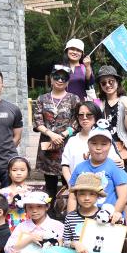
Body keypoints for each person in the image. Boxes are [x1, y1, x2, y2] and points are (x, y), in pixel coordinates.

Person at [33, 65, 78, 199]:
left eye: (64, 78)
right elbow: (37, 121)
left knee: (69, 182)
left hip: (67, 145)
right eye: (57, 77)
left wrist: (64, 134)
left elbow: (77, 121)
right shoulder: (42, 98)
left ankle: (68, 209)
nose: (60, 80)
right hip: (48, 147)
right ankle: (50, 209)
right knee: (50, 186)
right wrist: (51, 134)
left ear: (68, 82)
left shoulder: (74, 99)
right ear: (51, 79)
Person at [67, 126, 127, 221]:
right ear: (88, 144)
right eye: (94, 143)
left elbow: (123, 197)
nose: (98, 148)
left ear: (110, 146)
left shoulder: (115, 167)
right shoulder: (79, 168)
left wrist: (111, 217)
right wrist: (71, 219)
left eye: (104, 144)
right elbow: (72, 197)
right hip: (84, 219)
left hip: (109, 220)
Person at [61, 102, 122, 185]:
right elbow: (65, 165)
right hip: (77, 187)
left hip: (102, 187)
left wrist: (120, 162)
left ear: (96, 116)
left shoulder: (105, 138)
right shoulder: (72, 140)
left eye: (89, 115)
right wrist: (71, 184)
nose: (84, 118)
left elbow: (116, 163)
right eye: (81, 115)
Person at [97, 65, 127, 177]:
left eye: (111, 81)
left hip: (122, 150)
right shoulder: (99, 103)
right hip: (102, 150)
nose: (107, 85)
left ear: (117, 82)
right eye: (103, 83)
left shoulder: (126, 101)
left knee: (122, 181)